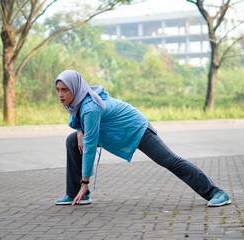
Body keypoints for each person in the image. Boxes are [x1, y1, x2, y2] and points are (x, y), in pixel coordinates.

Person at [54, 70, 231, 207]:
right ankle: (76, 193)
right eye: (58, 90)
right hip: (116, 131)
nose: (61, 95)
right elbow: (79, 122)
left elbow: (90, 145)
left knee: (170, 161)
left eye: (65, 90)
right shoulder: (76, 101)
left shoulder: (90, 106)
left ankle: (216, 193)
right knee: (72, 140)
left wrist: (85, 181)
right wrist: (79, 132)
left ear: (74, 88)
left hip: (137, 129)